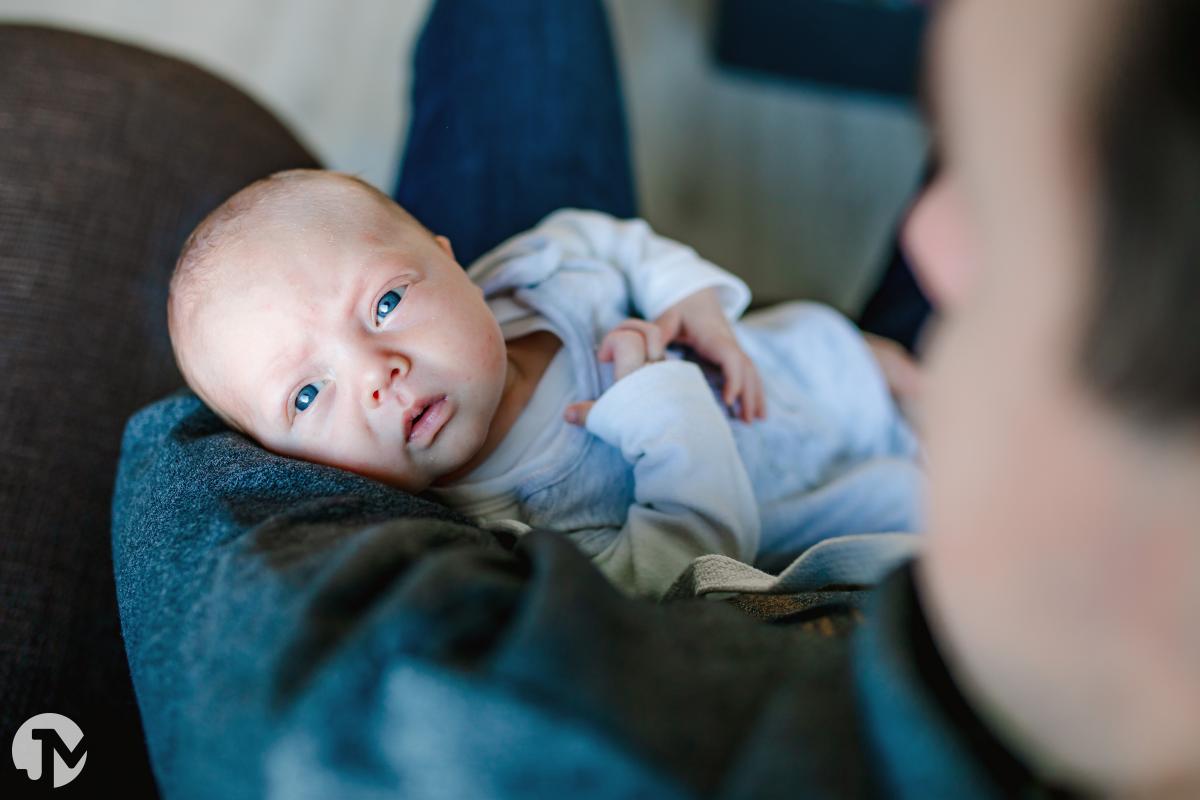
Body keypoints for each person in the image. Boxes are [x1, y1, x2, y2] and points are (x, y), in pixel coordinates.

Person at [111, 0, 1200, 796]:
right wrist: (653, 396)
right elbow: (683, 559)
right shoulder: (509, 527)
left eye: (391, 298)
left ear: (449, 253)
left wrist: (695, 298)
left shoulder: (525, 273)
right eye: (307, 393)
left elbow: (601, 240)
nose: (379, 370)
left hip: (818, 376)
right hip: (831, 430)